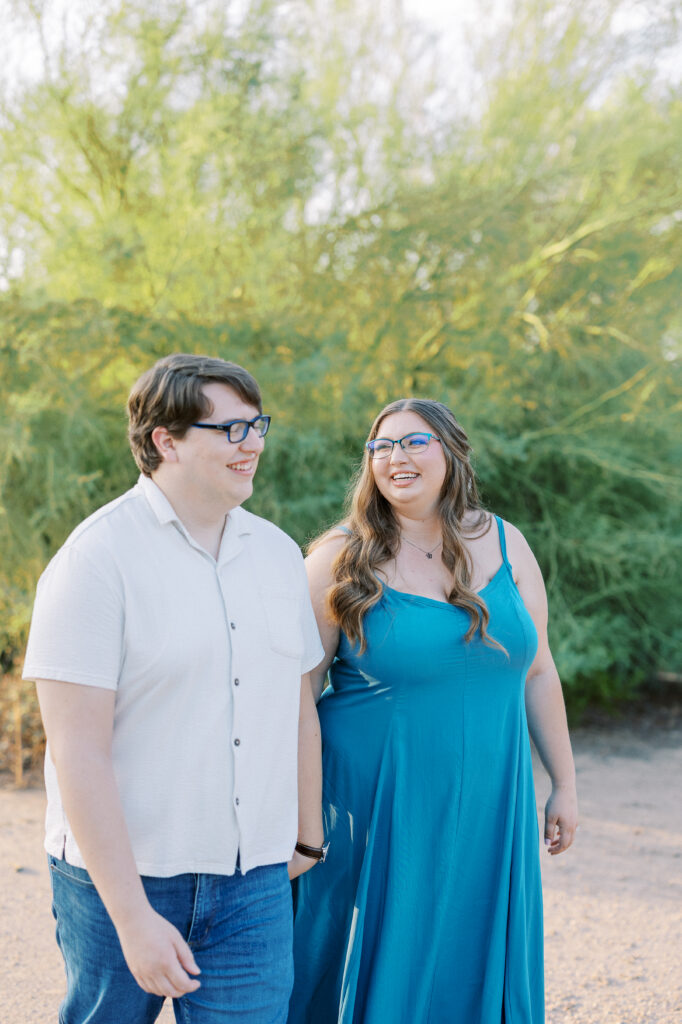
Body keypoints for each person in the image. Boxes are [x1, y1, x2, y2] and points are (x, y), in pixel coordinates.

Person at [22, 353, 326, 1024]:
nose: (254, 446)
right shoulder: (94, 561)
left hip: (255, 884)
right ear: (166, 441)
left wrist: (305, 838)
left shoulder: (279, 556)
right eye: (232, 430)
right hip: (121, 883)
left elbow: (296, 703)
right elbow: (78, 752)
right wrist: (132, 917)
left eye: (258, 426)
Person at [288, 397, 578, 1024]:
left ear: (451, 452)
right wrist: (306, 825)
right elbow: (297, 698)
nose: (396, 456)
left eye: (414, 441)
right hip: (375, 803)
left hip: (490, 800)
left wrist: (565, 784)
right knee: (376, 960)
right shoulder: (339, 557)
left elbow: (538, 668)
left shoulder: (506, 540)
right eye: (381, 446)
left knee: (468, 949)